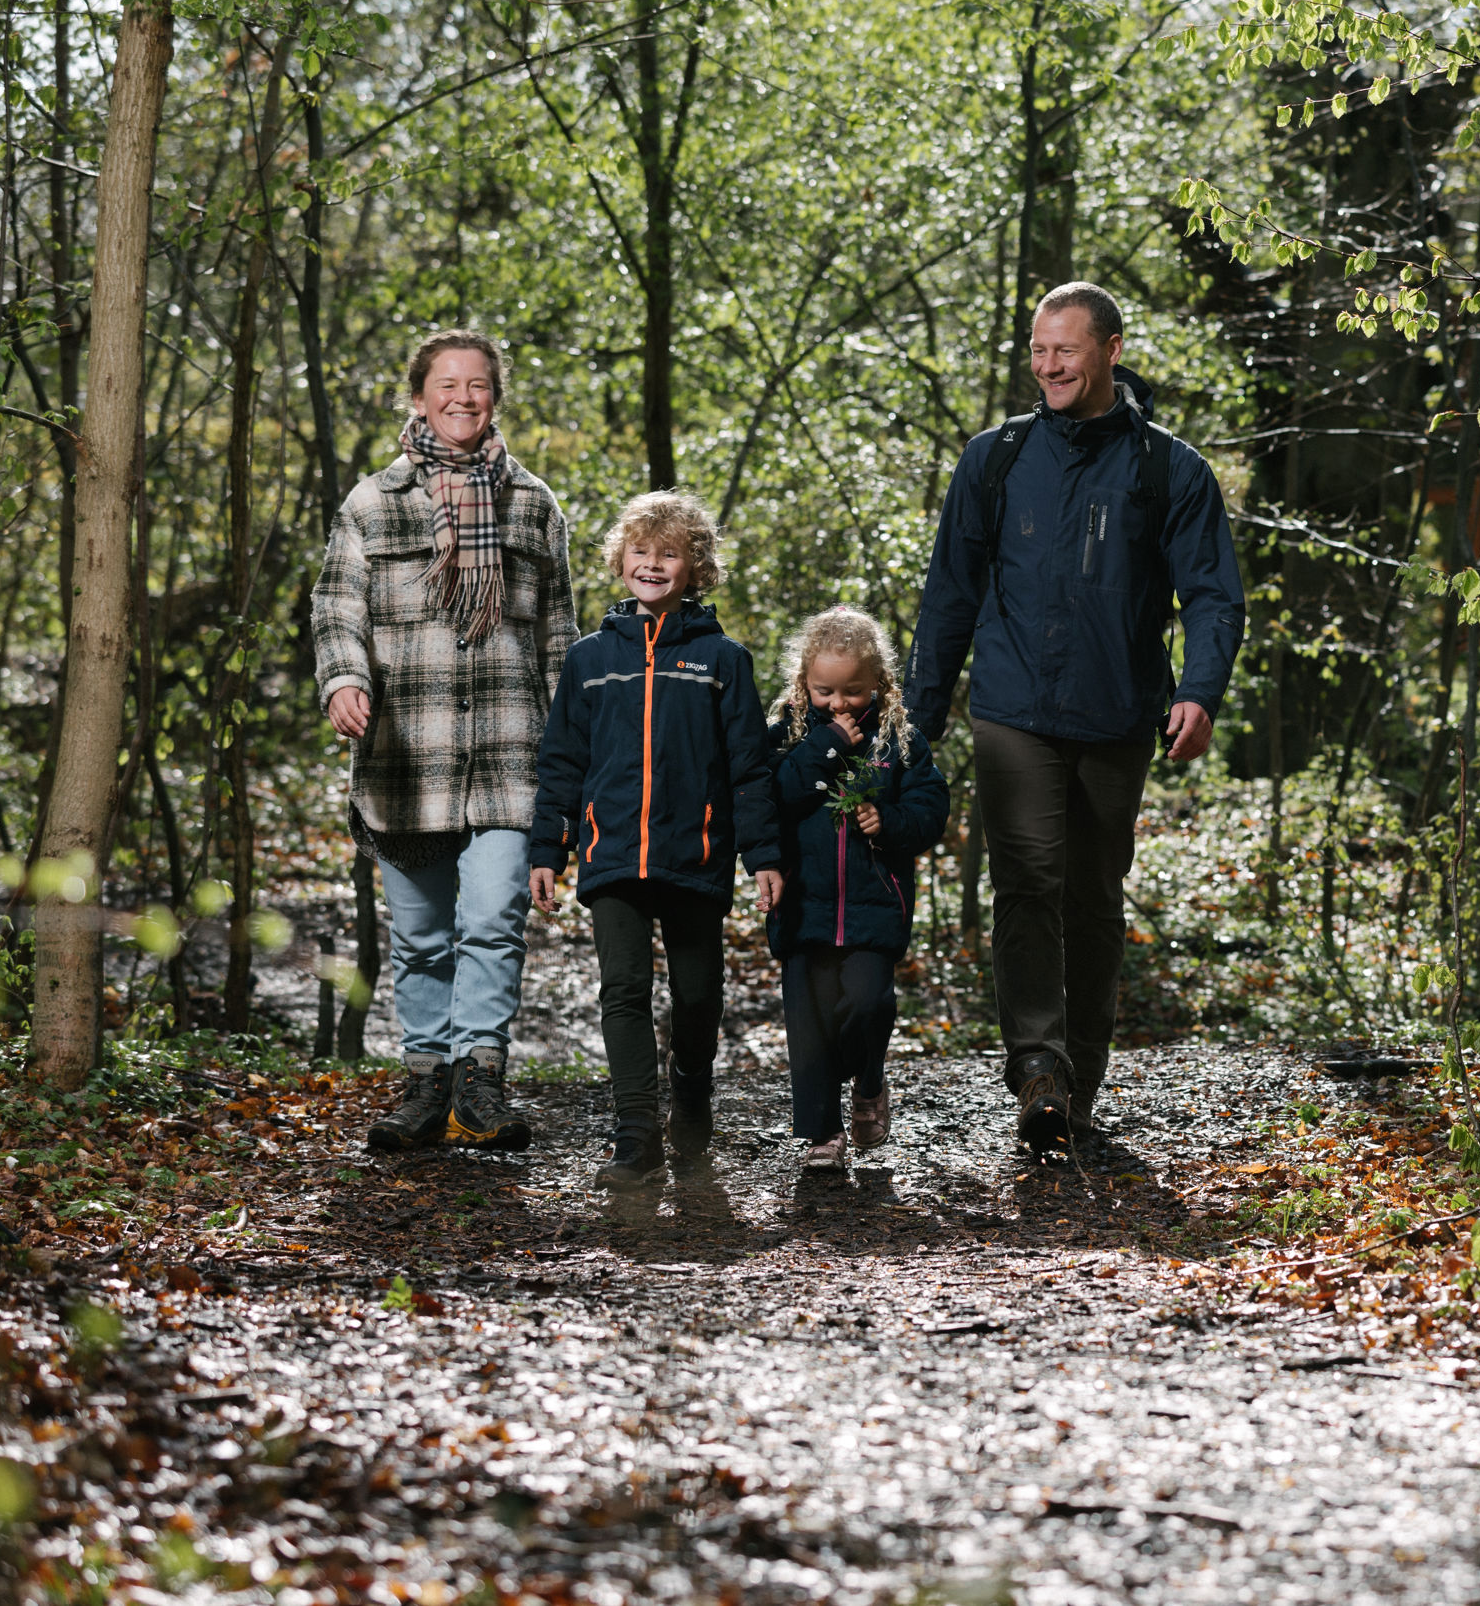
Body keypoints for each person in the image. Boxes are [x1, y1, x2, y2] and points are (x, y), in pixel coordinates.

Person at [906, 281, 1244, 1154]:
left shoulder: (1170, 468)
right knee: (1025, 879)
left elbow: (1212, 595)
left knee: (1092, 896)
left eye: (1066, 349)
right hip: (1013, 704)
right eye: (1038, 349)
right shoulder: (997, 458)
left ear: (1111, 351)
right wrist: (922, 711)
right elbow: (950, 592)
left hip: (1118, 712)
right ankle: (1038, 1066)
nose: (1048, 365)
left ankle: (1079, 1077)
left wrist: (1199, 690)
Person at [314, 329, 578, 1153]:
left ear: (495, 396)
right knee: (422, 938)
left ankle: (481, 1084)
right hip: (405, 757)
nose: (464, 399)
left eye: (479, 386)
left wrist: (577, 752)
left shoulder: (533, 504)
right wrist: (343, 680)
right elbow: (336, 611)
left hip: (509, 755)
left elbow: (562, 640)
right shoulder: (372, 503)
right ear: (420, 396)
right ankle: (426, 1085)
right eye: (447, 385)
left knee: (494, 920)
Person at [529, 491, 785, 1189]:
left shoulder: (722, 660)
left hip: (694, 855)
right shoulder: (588, 661)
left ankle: (691, 1093)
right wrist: (547, 849)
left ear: (694, 566)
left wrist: (763, 855)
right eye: (639, 551)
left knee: (699, 995)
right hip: (611, 856)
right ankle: (635, 1135)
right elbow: (560, 764)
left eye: (667, 553)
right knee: (623, 990)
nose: (651, 564)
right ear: (619, 561)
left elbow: (749, 768)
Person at [766, 607, 950, 1171]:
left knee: (871, 1004)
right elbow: (772, 796)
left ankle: (868, 1080)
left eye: (853, 691)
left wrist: (889, 821)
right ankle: (822, 1132)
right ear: (804, 682)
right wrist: (824, 742)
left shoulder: (899, 740)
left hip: (875, 907)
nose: (839, 703)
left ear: (878, 685)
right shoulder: (788, 736)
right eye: (825, 691)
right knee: (808, 1022)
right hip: (803, 906)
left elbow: (931, 809)